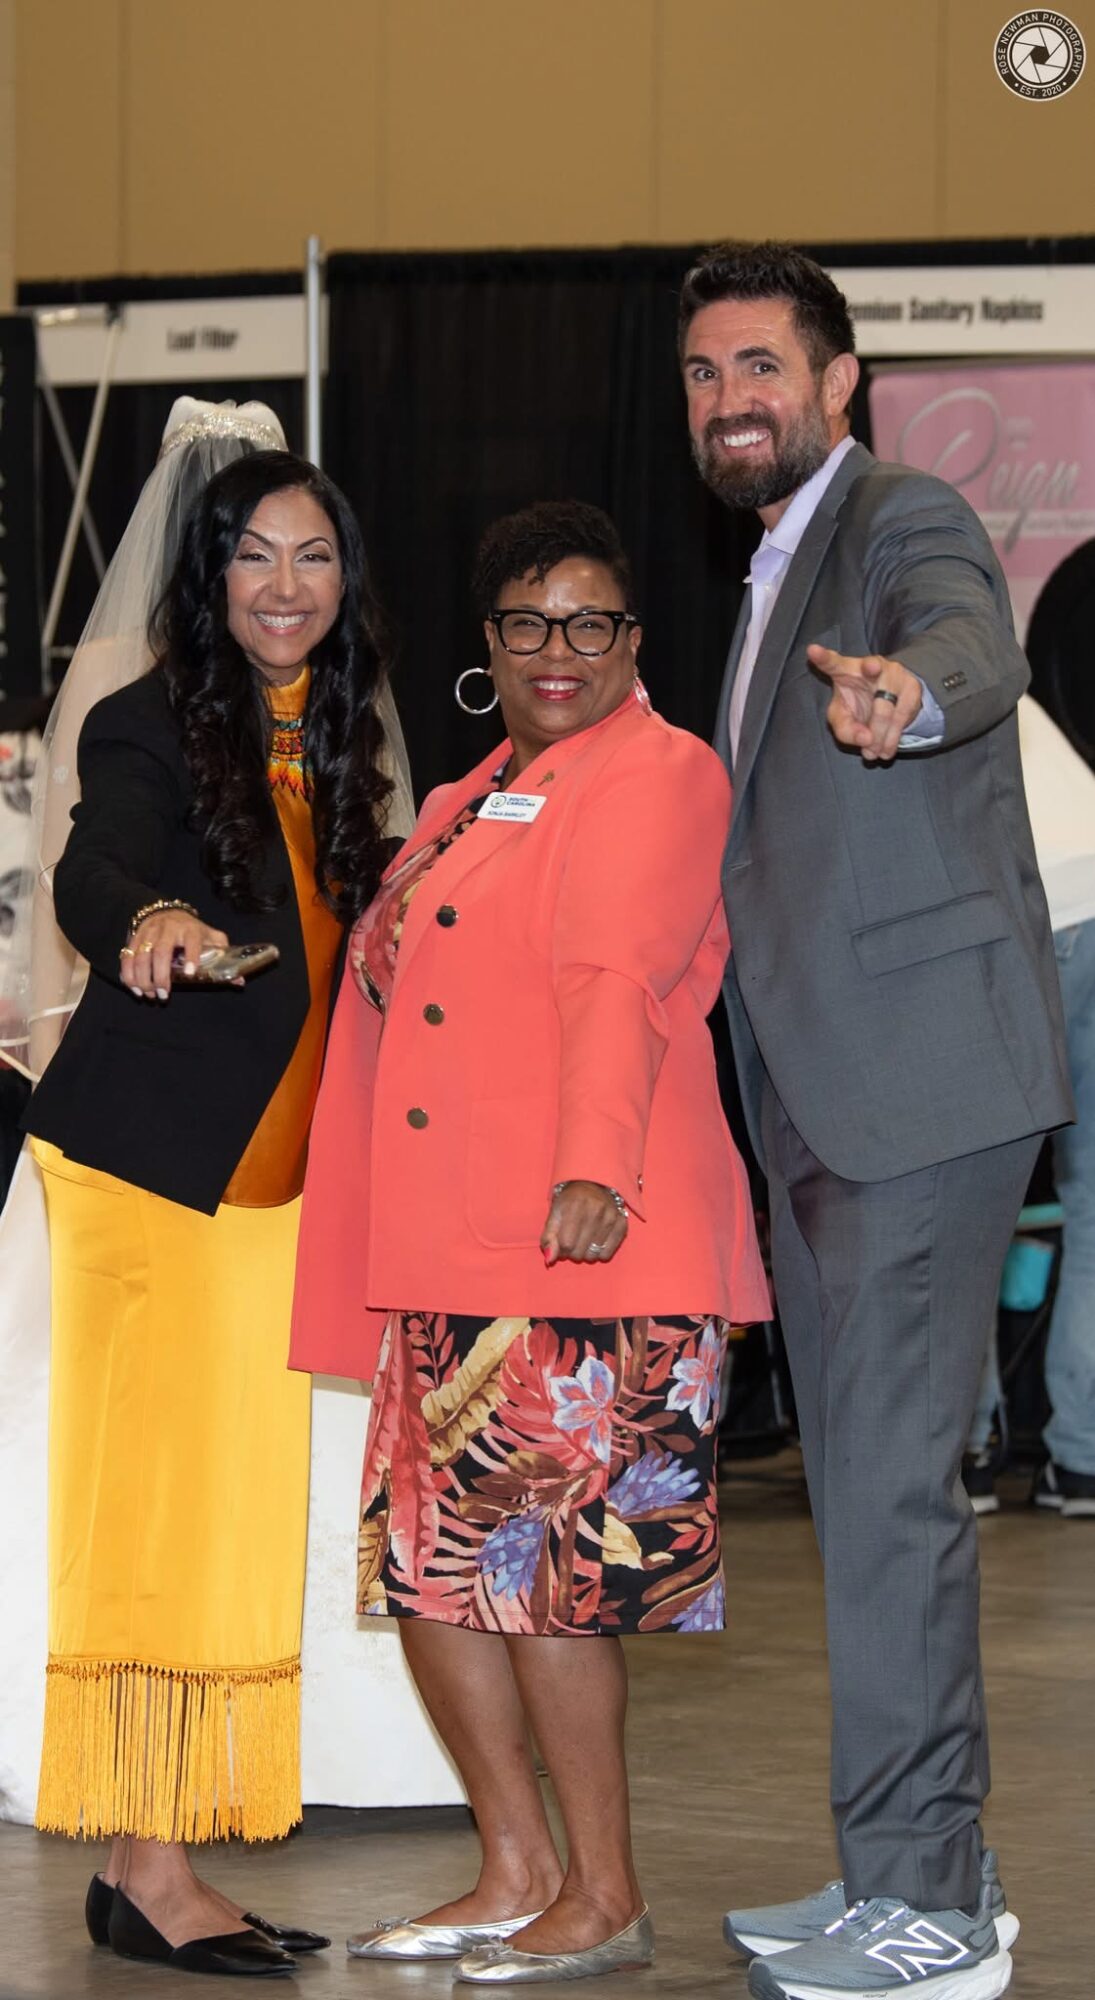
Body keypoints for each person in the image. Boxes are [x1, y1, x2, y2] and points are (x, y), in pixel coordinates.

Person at [289, 499, 769, 1985]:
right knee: (433, 1580)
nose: (555, 651)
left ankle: (604, 1893)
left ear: (632, 638)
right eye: (524, 623)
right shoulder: (462, 797)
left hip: (581, 1246)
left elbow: (611, 981)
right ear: (485, 643)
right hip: (443, 1254)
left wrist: (590, 1169)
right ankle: (512, 1869)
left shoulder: (662, 776)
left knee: (554, 1583)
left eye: (590, 624)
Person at [680, 242, 1071, 2000]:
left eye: (761, 362)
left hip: (912, 1094)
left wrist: (911, 700)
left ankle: (925, 1920)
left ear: (840, 381)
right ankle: (916, 1879)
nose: (730, 398)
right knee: (867, 1496)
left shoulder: (898, 515)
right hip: (836, 1100)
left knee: (897, 1506)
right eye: (703, 373)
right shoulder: (771, 561)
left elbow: (963, 643)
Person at [22, 446, 406, 1978]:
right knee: (166, 1515)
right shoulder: (148, 722)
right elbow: (92, 867)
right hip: (153, 1173)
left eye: (311, 557)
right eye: (252, 557)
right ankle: (155, 1870)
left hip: (271, 1186)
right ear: (208, 574)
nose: (283, 587)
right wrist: (151, 919)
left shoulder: (337, 739)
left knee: (237, 1515)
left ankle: (149, 1859)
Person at [966, 694, 1095, 1520]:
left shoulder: (869, 664)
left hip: (1010, 909)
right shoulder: (1001, 670)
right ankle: (1080, 1462)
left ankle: (965, 1450)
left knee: (961, 1197)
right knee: (1091, 1204)